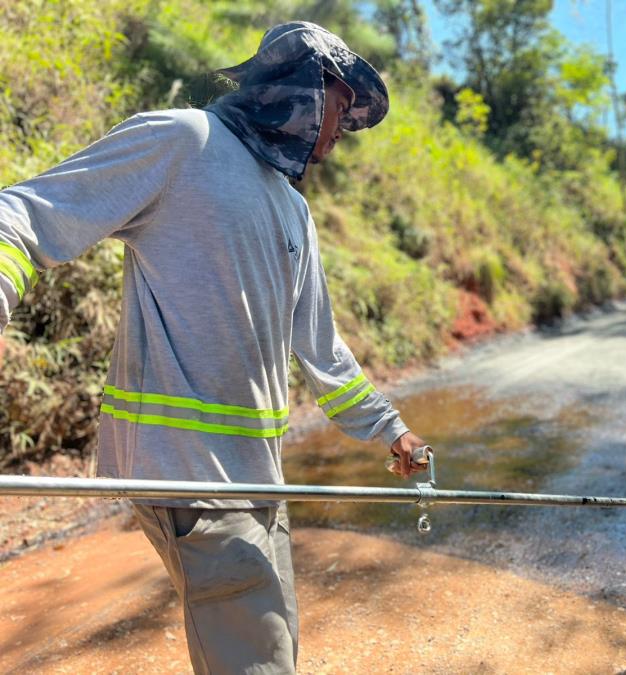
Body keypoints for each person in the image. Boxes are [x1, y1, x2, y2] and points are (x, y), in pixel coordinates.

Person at [0, 21, 429, 674]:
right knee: (257, 660)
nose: (345, 127)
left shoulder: (292, 209)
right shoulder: (183, 143)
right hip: (188, 474)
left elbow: (321, 348)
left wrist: (390, 429)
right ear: (306, 88)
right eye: (343, 104)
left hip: (258, 478)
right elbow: (26, 214)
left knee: (275, 637)